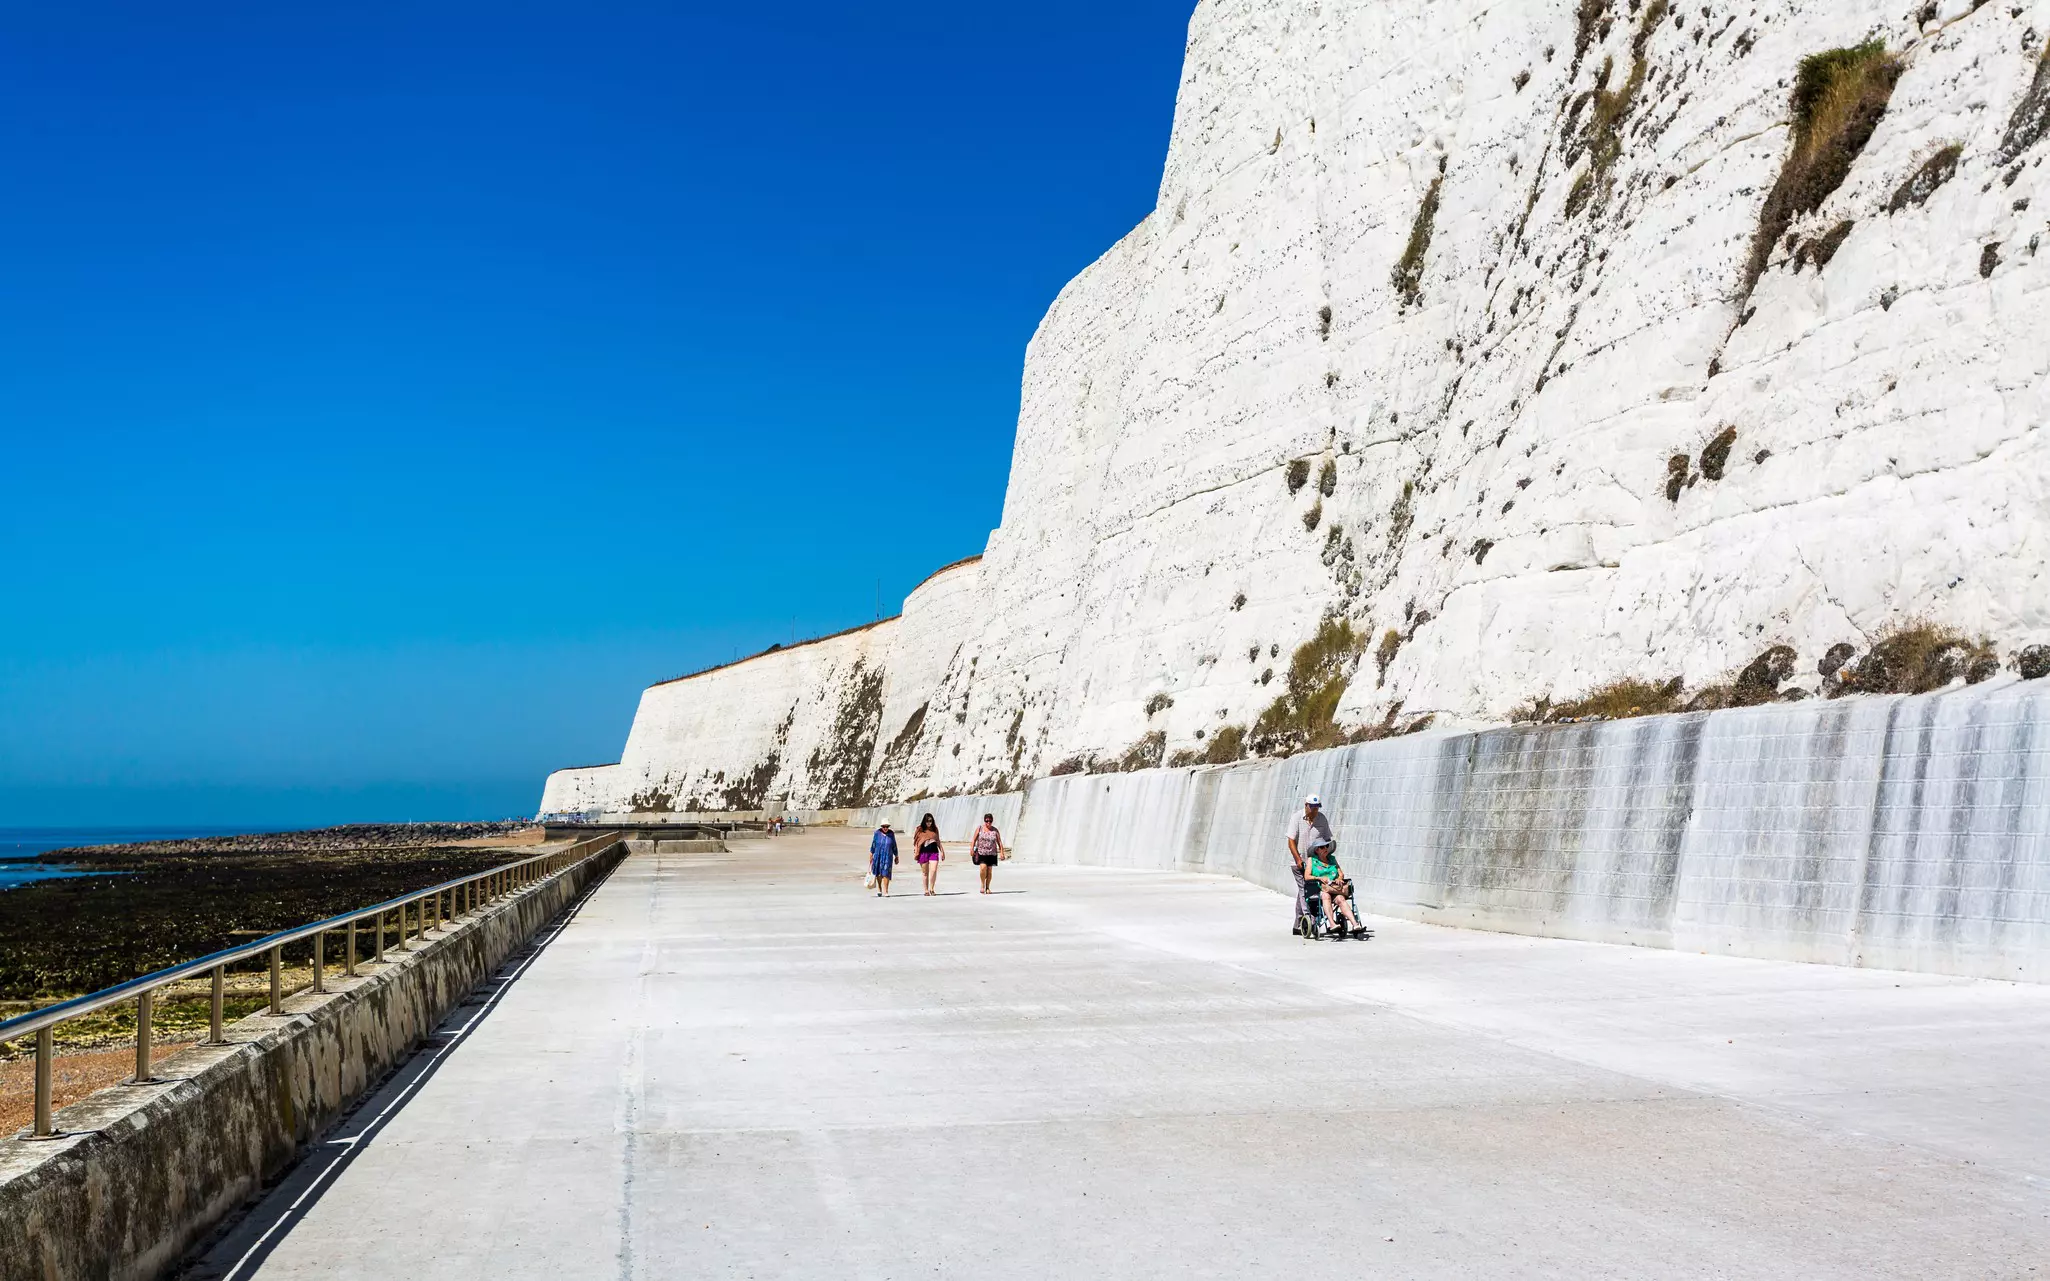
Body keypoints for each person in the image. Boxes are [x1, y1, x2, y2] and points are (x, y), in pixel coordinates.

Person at [1285, 793, 1335, 931]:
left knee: (1305, 892)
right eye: (1312, 807)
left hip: (1315, 864)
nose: (1314, 810)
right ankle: (1310, 919)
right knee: (1304, 890)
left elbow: (1327, 840)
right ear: (1306, 805)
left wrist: (1327, 860)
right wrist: (1298, 859)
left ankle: (1297, 925)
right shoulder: (1296, 818)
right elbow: (1291, 841)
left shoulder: (1322, 819)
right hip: (1299, 862)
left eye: (1317, 807)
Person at [969, 813, 1005, 894]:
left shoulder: (995, 830)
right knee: (983, 868)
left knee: (989, 871)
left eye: (990, 821)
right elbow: (974, 840)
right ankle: (982, 885)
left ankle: (988, 887)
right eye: (987, 821)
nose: (988, 823)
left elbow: (999, 842)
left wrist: (1002, 852)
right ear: (984, 820)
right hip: (981, 852)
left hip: (992, 853)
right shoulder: (979, 828)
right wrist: (971, 849)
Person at [913, 813, 945, 895]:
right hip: (923, 852)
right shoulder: (920, 829)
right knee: (925, 873)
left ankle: (932, 888)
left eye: (930, 821)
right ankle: (926, 890)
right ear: (924, 821)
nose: (929, 823)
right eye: (927, 821)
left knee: (933, 870)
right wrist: (916, 851)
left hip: (934, 852)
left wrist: (942, 851)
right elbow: (916, 841)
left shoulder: (935, 829)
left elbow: (938, 841)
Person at [869, 822, 898, 897]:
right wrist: (871, 854)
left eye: (887, 826)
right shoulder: (877, 833)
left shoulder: (891, 834)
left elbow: (894, 845)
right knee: (878, 873)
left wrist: (896, 855)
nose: (885, 828)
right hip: (878, 855)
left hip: (888, 856)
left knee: (886, 873)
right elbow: (873, 844)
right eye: (884, 826)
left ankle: (886, 890)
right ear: (881, 826)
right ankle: (879, 888)